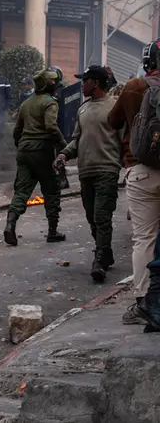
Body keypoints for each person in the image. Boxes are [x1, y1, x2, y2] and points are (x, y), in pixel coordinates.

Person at [110, 39, 160, 326]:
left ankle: (143, 301)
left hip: (140, 170)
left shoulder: (134, 86)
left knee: (145, 238)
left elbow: (112, 121)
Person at [55, 66, 119, 283]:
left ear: (96, 83)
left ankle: (99, 259)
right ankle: (105, 251)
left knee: (102, 216)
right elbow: (77, 139)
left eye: (85, 81)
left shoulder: (114, 107)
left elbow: (124, 138)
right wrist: (64, 154)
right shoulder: (82, 109)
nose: (82, 85)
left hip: (108, 170)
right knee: (92, 217)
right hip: (86, 172)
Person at [3, 69, 68, 246]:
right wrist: (64, 145)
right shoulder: (50, 103)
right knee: (51, 189)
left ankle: (10, 225)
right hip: (43, 152)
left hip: (24, 151)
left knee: (22, 190)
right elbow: (51, 127)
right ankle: (52, 232)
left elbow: (17, 130)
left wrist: (21, 146)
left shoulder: (26, 103)